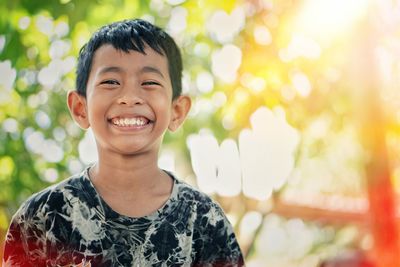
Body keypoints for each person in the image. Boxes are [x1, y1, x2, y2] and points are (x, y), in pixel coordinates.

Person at [2, 19, 244, 266]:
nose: (129, 97)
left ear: (177, 110)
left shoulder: (205, 221)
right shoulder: (41, 218)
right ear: (80, 108)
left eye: (149, 82)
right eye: (110, 82)